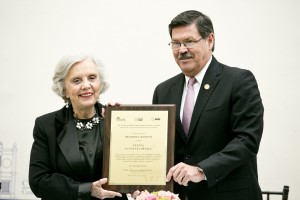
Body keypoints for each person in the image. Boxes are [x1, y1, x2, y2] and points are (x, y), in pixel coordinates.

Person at [152, 10, 264, 200]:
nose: (182, 49)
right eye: (176, 43)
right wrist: (118, 118)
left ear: (210, 40)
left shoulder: (239, 81)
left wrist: (201, 170)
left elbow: (247, 140)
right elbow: (156, 147)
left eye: (189, 41)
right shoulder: (163, 90)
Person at [29, 54, 128, 200]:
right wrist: (87, 190)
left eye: (92, 78)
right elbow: (39, 180)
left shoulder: (116, 119)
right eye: (76, 80)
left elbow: (133, 167)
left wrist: (121, 126)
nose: (86, 85)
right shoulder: (46, 125)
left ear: (100, 83)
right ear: (64, 89)